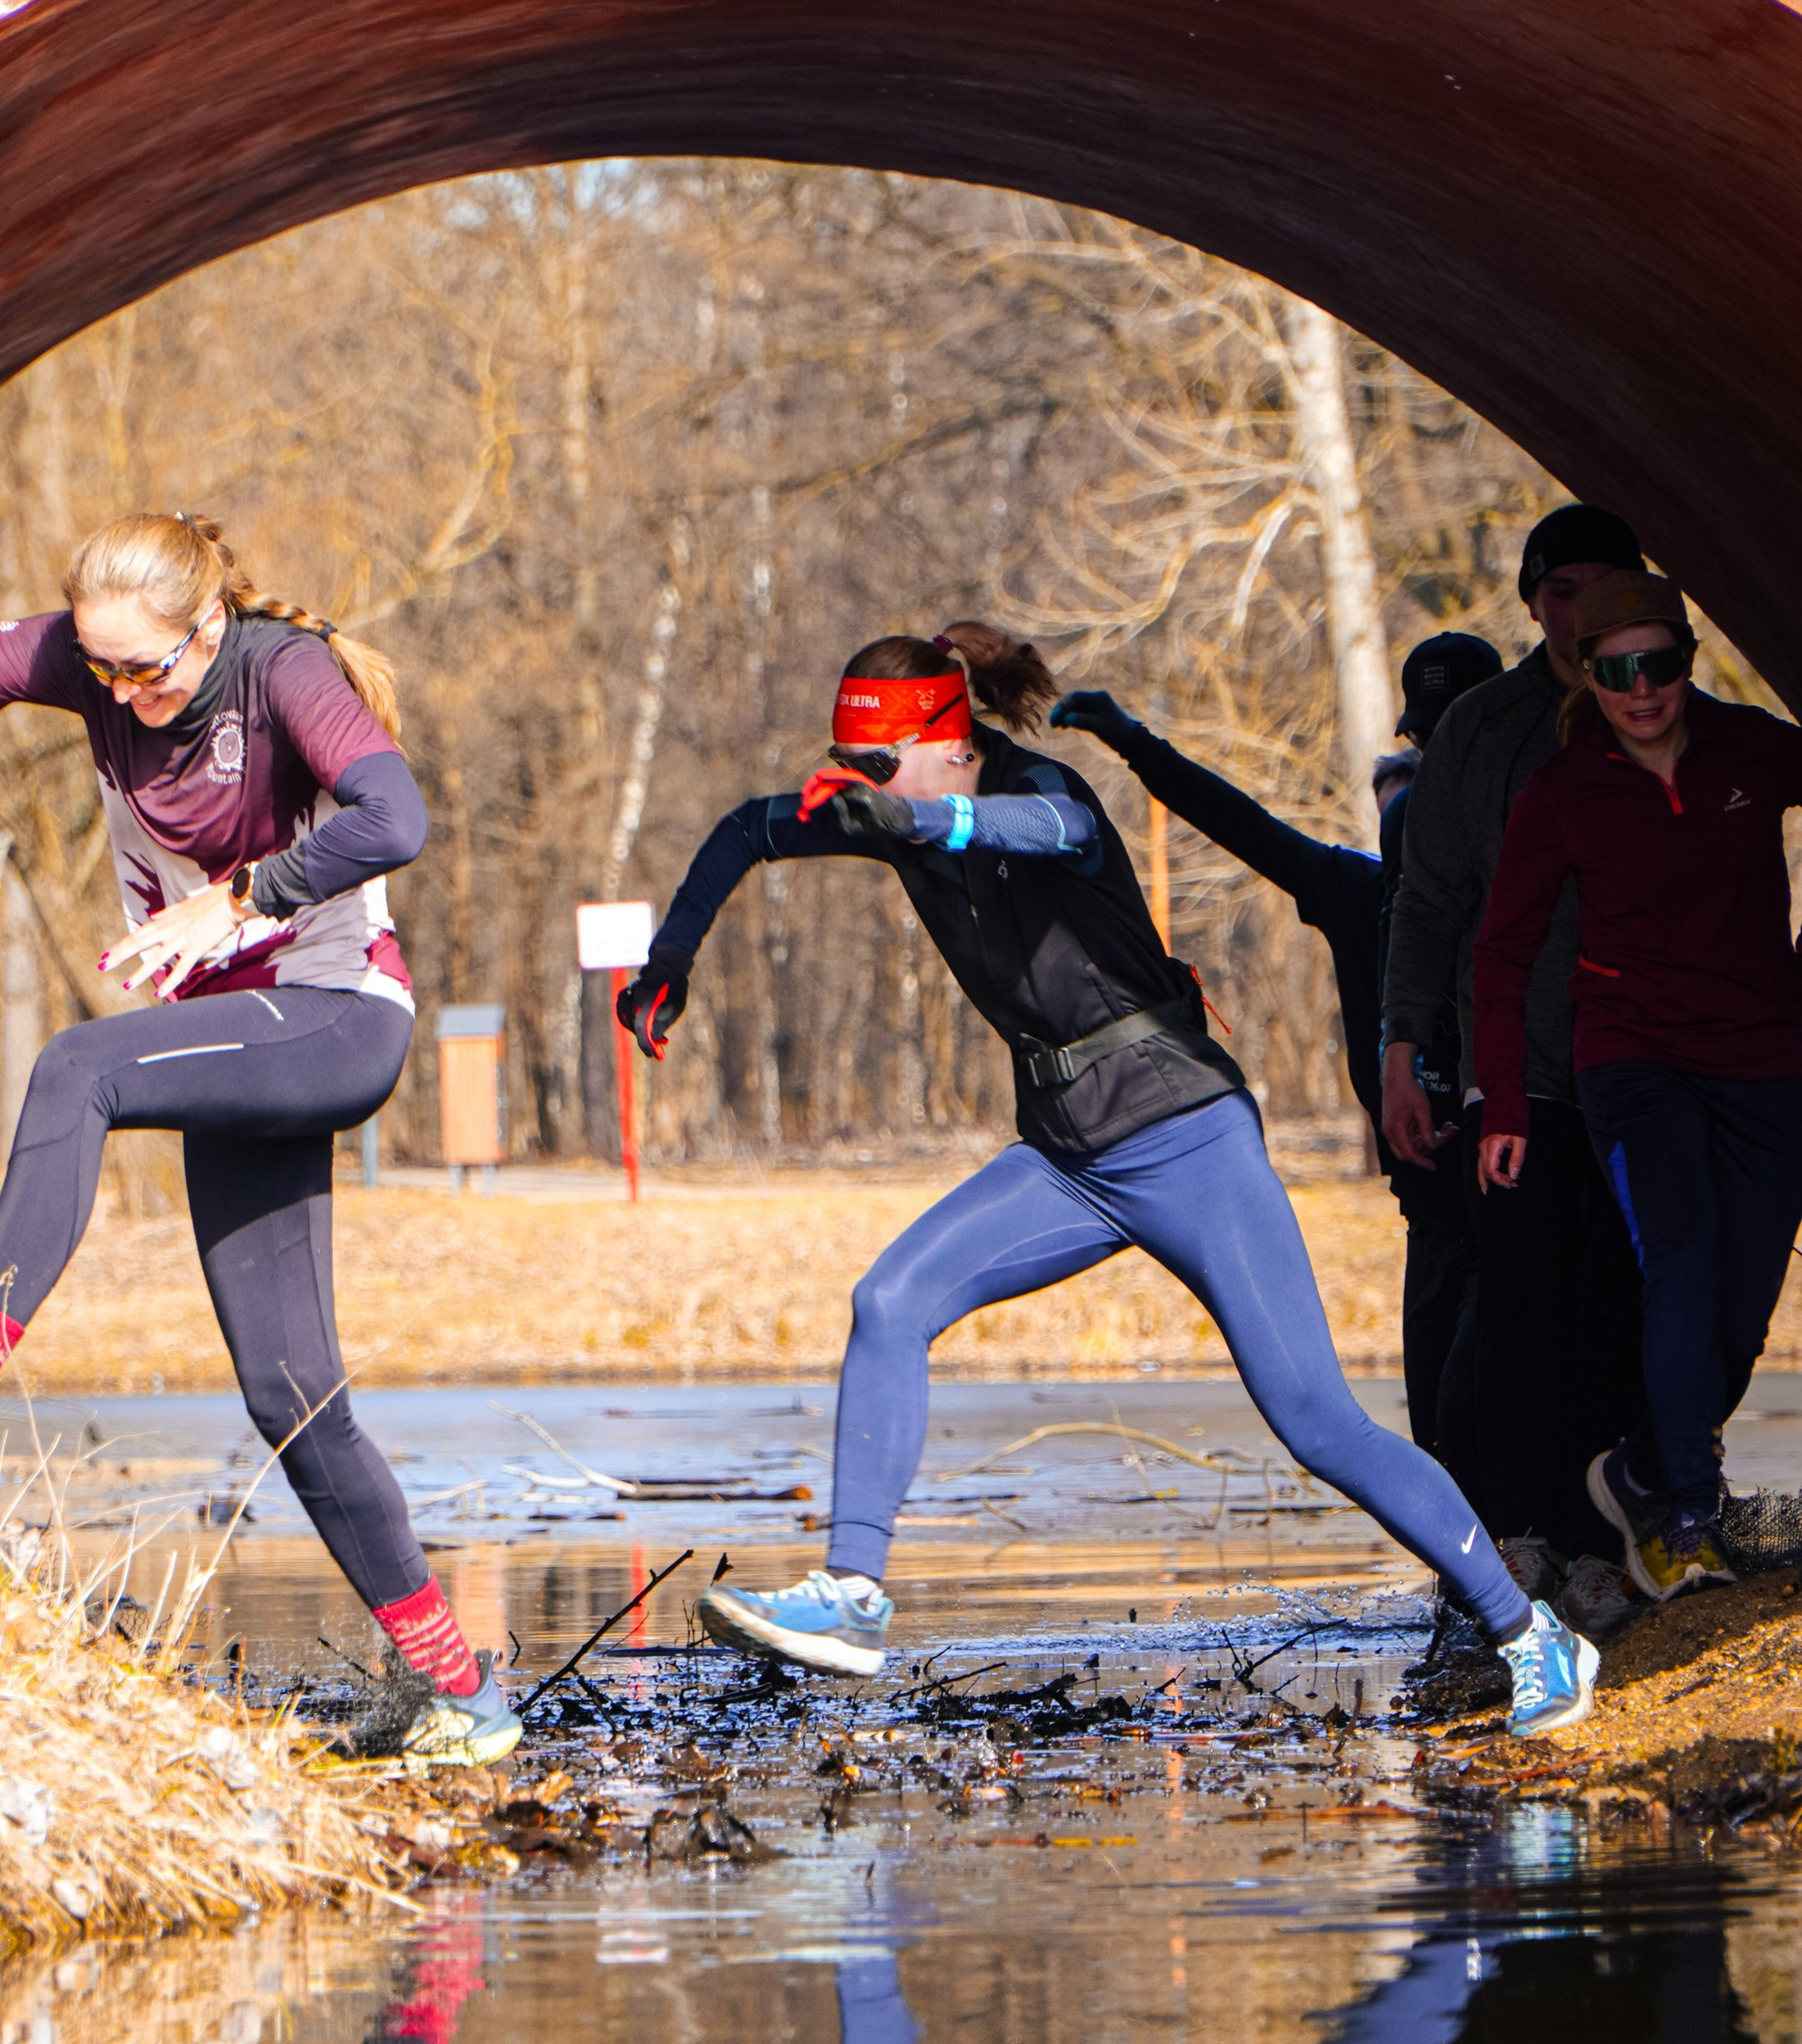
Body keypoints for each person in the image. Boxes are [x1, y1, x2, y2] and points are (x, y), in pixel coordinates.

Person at [617, 622, 1597, 1740]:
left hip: (1187, 1138)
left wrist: (916, 820)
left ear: (948, 741)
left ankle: (1534, 1636)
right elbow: (752, 827)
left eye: (880, 765)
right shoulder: (893, 800)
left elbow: (1055, 829)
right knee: (888, 1302)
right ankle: (853, 1598)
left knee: (1319, 1423)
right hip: (1068, 1157)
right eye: (854, 767)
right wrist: (672, 959)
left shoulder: (1038, 790)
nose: (862, 786)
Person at [0, 523, 517, 1762]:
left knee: (77, 1065)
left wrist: (247, 897)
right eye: (99, 671)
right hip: (234, 1043)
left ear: (205, 627)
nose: (122, 694)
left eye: (147, 671)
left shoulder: (278, 668)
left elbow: (394, 815)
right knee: (289, 1394)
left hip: (337, 1017)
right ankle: (460, 1695)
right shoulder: (89, 661)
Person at [1050, 624, 1499, 1490]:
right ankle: (1482, 1591)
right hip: (1430, 1216)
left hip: (1518, 1200)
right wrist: (1131, 742)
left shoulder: (1528, 875)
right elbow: (1239, 824)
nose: (1419, 796)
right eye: (1415, 762)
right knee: (1439, 1428)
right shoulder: (1355, 892)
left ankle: (1555, 1560)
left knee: (1492, 1398)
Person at [1474, 571, 1802, 1599]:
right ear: (1589, 675)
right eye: (1616, 671)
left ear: (1685, 661)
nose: (1641, 690)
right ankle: (1687, 1518)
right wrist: (1506, 1100)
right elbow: (1500, 952)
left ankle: (1641, 1472)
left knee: (1744, 1306)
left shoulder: (1753, 749)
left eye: (1657, 665)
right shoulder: (1564, 792)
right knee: (1684, 1258)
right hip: (1632, 1059)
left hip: (1764, 1058)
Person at [1381, 505, 1650, 1586]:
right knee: (1519, 1303)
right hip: (1518, 1073)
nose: (1578, 612)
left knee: (1630, 1299)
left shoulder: (1665, 708)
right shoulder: (1482, 732)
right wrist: (1403, 1050)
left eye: (1601, 587)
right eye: (1560, 589)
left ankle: (1616, 1529)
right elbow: (1428, 899)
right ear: (1534, 600)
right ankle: (1523, 1534)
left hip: (1652, 1066)